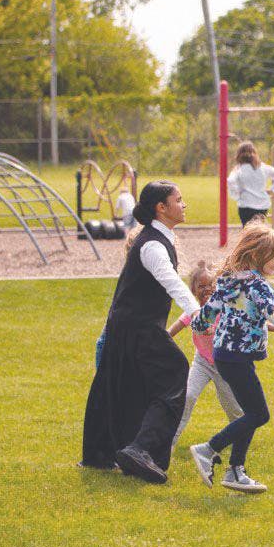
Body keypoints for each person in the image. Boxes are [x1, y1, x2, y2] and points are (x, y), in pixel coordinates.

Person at [81, 181, 202, 483]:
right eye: (179, 199)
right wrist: (196, 311)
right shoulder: (151, 244)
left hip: (127, 324)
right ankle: (140, 449)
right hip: (138, 326)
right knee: (174, 373)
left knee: (118, 384)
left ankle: (101, 455)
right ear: (161, 208)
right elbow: (171, 281)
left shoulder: (157, 239)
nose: (184, 205)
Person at [188, 224, 274, 493]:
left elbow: (205, 314)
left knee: (250, 412)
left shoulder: (230, 281)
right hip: (236, 357)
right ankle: (208, 449)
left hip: (227, 355)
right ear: (260, 255)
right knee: (259, 414)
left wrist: (200, 324)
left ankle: (235, 471)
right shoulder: (258, 287)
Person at [167, 260, 244, 446]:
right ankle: (169, 440)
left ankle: (241, 434)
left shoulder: (224, 307)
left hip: (225, 365)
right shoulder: (193, 311)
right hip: (202, 362)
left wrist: (214, 330)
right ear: (192, 290)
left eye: (211, 285)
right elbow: (174, 329)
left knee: (233, 407)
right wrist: (160, 339)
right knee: (188, 396)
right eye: (201, 286)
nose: (207, 289)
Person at [227, 141, 274, 226]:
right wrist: (273, 190)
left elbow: (230, 181)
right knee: (259, 230)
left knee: (248, 231)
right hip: (263, 205)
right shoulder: (263, 167)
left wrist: (236, 195)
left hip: (246, 205)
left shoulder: (239, 169)